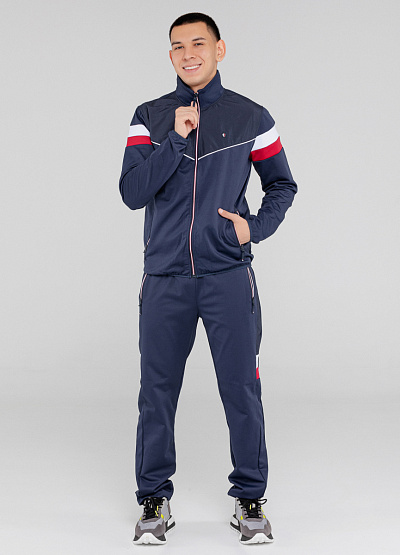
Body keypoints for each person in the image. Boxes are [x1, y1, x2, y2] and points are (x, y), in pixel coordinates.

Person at [119, 12, 297, 545]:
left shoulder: (251, 117)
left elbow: (282, 185)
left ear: (220, 49)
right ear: (170, 56)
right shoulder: (149, 117)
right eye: (178, 46)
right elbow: (132, 193)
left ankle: (250, 498)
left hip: (227, 275)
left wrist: (253, 228)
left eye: (199, 43)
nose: (188, 53)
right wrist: (173, 140)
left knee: (241, 388)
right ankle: (154, 498)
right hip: (165, 277)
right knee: (156, 393)